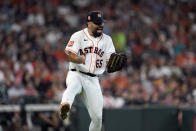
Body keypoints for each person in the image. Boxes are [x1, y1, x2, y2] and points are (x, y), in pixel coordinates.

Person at [60, 11, 115, 131]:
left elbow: (110, 62)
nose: (100, 25)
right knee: (72, 87)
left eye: (101, 23)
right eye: (97, 23)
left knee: (98, 118)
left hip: (94, 79)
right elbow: (70, 55)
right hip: (77, 73)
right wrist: (79, 59)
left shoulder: (107, 40)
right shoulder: (78, 36)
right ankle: (65, 105)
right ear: (89, 23)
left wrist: (114, 65)